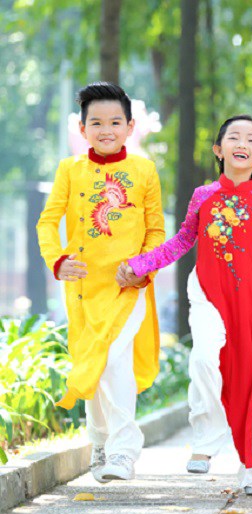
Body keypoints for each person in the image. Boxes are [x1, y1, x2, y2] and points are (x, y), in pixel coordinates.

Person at [123, 115, 252, 496]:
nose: (242, 142)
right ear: (218, 150)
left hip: (249, 301)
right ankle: (205, 442)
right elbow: (181, 241)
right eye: (233, 137)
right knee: (204, 359)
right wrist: (140, 264)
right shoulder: (203, 196)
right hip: (206, 292)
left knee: (249, 382)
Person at [36, 82, 165, 483]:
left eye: (114, 122)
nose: (105, 129)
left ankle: (124, 451)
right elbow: (47, 221)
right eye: (96, 122)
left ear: (129, 126)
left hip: (129, 287)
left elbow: (156, 232)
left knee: (114, 360)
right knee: (96, 361)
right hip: (83, 288)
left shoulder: (144, 170)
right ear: (82, 127)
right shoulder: (69, 170)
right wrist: (57, 261)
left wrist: (144, 267)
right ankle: (101, 442)